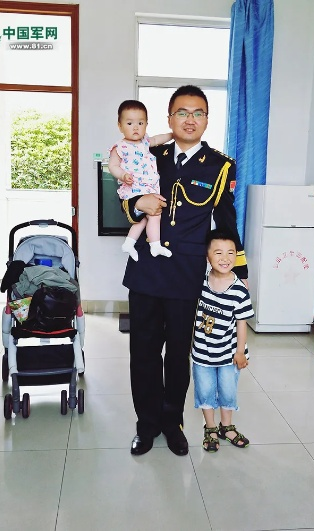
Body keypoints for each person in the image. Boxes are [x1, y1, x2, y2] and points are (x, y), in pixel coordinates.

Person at [120, 85, 248, 456]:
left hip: (186, 275)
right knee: (143, 352)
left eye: (198, 113)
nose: (189, 120)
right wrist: (138, 204)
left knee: (178, 354)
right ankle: (146, 425)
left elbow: (226, 221)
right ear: (169, 118)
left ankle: (172, 423)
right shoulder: (147, 152)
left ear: (206, 120)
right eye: (182, 112)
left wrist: (237, 272)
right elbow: (126, 197)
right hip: (145, 270)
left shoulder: (220, 166)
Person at [192, 229, 254, 453]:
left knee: (227, 391)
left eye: (231, 253)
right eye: (218, 253)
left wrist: (240, 351)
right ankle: (210, 428)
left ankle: (226, 427)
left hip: (229, 353)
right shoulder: (200, 282)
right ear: (207, 256)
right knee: (205, 390)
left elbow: (241, 323)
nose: (225, 258)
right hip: (202, 352)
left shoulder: (239, 290)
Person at [109, 100, 173, 261]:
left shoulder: (145, 141)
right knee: (154, 214)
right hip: (134, 187)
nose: (136, 127)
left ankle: (129, 243)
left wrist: (172, 135)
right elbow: (113, 166)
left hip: (149, 187)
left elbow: (158, 139)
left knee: (144, 218)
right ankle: (155, 245)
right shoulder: (120, 147)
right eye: (130, 123)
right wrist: (123, 175)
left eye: (140, 123)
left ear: (146, 124)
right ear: (120, 126)